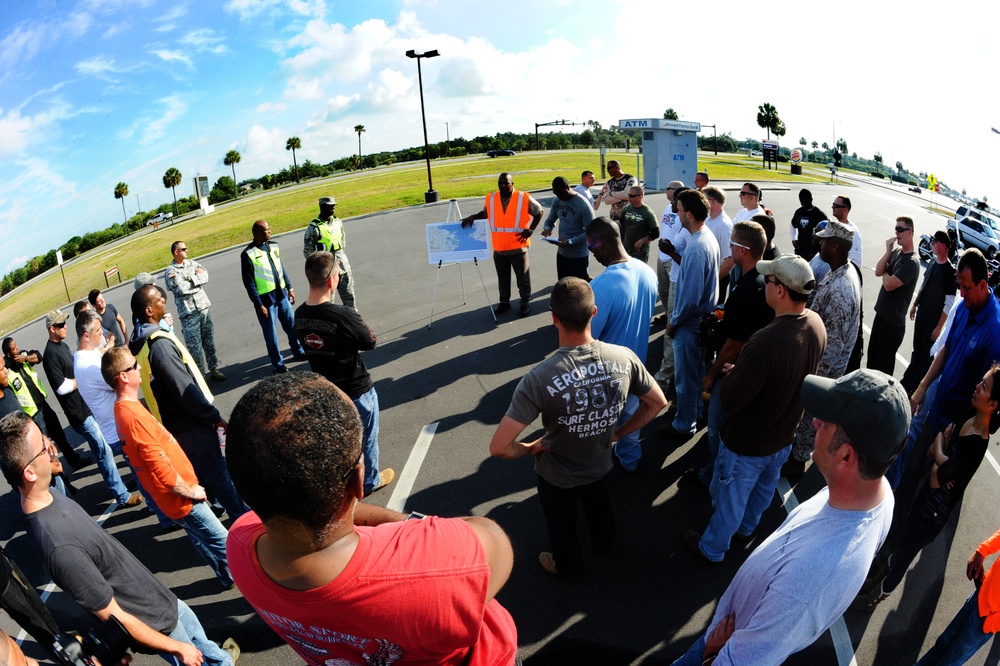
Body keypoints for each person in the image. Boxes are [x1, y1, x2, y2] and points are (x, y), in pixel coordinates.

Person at [226, 372, 519, 665]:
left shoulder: (238, 543)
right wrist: (410, 524)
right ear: (358, 481)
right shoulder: (440, 568)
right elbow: (493, 538)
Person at [671, 369, 906, 665]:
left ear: (846, 456)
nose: (816, 421)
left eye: (827, 421)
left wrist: (710, 653)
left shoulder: (811, 576)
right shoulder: (879, 493)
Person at [0, 411, 240, 666]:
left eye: (46, 437)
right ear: (29, 473)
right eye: (43, 446)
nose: (52, 446)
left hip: (160, 599)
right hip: (159, 625)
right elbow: (115, 616)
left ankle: (221, 658)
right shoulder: (60, 548)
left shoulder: (47, 496)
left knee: (205, 644)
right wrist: (178, 648)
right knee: (195, 653)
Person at [489, 277, 666, 578]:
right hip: (600, 465)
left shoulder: (539, 378)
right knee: (599, 508)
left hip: (557, 475)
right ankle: (605, 545)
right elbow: (657, 402)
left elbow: (499, 447)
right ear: (594, 312)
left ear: (554, 317)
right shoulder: (624, 358)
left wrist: (531, 448)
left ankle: (568, 566)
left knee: (562, 524)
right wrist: (618, 434)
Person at [684, 254, 825, 563]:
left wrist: (736, 373)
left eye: (769, 280)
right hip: (783, 436)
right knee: (762, 493)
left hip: (748, 441)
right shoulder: (815, 324)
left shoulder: (765, 341)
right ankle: (747, 530)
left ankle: (712, 549)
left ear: (781, 291)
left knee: (730, 501)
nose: (765, 284)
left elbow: (732, 400)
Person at [856, 364, 999, 612]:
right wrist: (943, 456)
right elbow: (937, 450)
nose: (977, 387)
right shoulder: (970, 414)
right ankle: (869, 584)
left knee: (899, 561)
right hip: (925, 499)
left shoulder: (977, 445)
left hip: (931, 516)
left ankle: (873, 599)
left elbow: (936, 473)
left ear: (993, 405)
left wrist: (941, 453)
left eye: (984, 387)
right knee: (895, 545)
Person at [103, 347, 234, 589]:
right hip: (181, 498)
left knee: (200, 538)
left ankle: (226, 577)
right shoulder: (134, 417)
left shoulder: (122, 410)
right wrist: (191, 492)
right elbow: (158, 467)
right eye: (134, 366)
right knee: (224, 542)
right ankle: (255, 587)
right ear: (123, 377)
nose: (139, 367)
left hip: (170, 500)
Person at [129, 285, 248, 520]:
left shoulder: (141, 340)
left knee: (201, 477)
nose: (164, 299)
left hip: (173, 424)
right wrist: (213, 417)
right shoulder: (158, 344)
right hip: (190, 424)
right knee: (219, 475)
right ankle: (244, 520)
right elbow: (184, 389)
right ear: (149, 309)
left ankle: (217, 511)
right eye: (158, 298)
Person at [888, 248, 1000, 489]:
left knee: (926, 490)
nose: (962, 294)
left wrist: (953, 438)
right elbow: (946, 350)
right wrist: (922, 387)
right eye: (959, 286)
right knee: (910, 472)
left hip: (951, 433)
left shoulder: (995, 333)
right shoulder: (964, 307)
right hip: (936, 409)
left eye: (967, 288)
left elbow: (985, 397)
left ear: (983, 284)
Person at [294, 251, 395, 496]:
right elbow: (370, 341)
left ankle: (344, 482)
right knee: (367, 438)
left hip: (328, 391)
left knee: (340, 441)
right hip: (357, 389)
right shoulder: (344, 315)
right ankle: (369, 481)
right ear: (331, 280)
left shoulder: (300, 315)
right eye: (338, 273)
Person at [688, 221, 773, 489]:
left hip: (731, 370)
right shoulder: (760, 281)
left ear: (744, 251)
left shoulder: (747, 289)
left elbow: (734, 344)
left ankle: (711, 476)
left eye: (733, 244)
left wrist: (711, 375)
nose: (730, 248)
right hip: (747, 368)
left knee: (717, 430)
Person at [785, 221, 862, 478]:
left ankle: (797, 460)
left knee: (809, 418)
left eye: (825, 240)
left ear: (836, 245)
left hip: (822, 372)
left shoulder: (842, 288)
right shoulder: (836, 272)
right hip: (816, 363)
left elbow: (834, 346)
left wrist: (813, 381)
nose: (820, 242)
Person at [41, 309, 139, 508]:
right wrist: (84, 381)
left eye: (65, 323)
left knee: (107, 452)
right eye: (60, 325)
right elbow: (61, 387)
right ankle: (121, 494)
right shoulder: (51, 355)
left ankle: (122, 485)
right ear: (52, 329)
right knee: (104, 453)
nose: (64, 327)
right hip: (80, 414)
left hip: (88, 408)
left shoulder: (63, 346)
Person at [585, 216, 659, 471]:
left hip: (607, 374)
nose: (591, 254)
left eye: (590, 247)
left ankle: (598, 466)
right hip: (638, 365)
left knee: (599, 426)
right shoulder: (646, 270)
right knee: (631, 418)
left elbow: (586, 338)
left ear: (600, 244)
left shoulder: (601, 286)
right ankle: (630, 459)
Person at [658, 189, 719, 442]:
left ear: (690, 214)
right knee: (694, 376)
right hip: (701, 322)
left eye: (680, 209)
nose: (677, 212)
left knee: (685, 380)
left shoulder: (695, 248)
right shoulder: (706, 237)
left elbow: (690, 298)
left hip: (690, 325)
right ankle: (693, 413)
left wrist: (673, 323)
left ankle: (683, 425)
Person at [460, 173, 544, 317]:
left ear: (513, 183)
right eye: (501, 183)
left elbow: (539, 212)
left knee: (522, 279)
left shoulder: (523, 198)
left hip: (518, 246)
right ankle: (504, 302)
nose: (503, 186)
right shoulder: (492, 198)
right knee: (503, 278)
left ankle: (524, 304)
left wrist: (530, 230)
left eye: (506, 183)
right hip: (499, 248)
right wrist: (473, 217)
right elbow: (486, 213)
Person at [3, 337, 91, 471]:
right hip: (33, 414)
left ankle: (75, 461)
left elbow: (38, 356)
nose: (18, 349)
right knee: (44, 448)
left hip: (44, 406)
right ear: (9, 354)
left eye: (17, 346)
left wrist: (24, 359)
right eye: (14, 349)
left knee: (60, 436)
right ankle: (56, 476)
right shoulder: (7, 371)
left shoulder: (24, 357)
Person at [916, 525, 1000, 664]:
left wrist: (992, 623)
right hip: (979, 596)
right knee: (942, 644)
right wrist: (982, 551)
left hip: (986, 620)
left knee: (950, 662)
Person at [240, 219, 306, 373]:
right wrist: (258, 304)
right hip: (266, 301)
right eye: (266, 230)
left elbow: (280, 268)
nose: (270, 231)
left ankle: (297, 351)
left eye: (269, 229)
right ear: (257, 233)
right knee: (271, 334)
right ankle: (278, 363)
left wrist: (290, 287)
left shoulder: (274, 246)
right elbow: (249, 283)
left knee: (291, 325)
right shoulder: (248, 254)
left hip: (281, 295)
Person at [901, 230, 957, 394]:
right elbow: (924, 285)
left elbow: (949, 302)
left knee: (925, 356)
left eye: (935, 241)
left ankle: (916, 389)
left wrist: (939, 327)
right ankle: (907, 382)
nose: (932, 243)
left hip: (933, 322)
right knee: (916, 350)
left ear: (943, 246)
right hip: (922, 316)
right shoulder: (932, 263)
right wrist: (915, 304)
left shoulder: (950, 272)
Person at [164, 241, 226, 381]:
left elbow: (205, 276)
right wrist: (196, 279)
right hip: (189, 314)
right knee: (194, 348)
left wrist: (190, 279)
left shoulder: (192, 263)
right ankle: (200, 377)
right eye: (183, 249)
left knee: (209, 341)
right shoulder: (171, 271)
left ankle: (214, 368)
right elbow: (181, 288)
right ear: (176, 252)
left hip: (203, 308)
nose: (187, 251)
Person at [868, 216, 920, 375]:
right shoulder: (896, 251)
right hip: (881, 317)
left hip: (892, 325)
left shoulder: (911, 262)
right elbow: (878, 270)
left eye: (900, 229)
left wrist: (886, 271)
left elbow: (889, 285)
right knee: (871, 363)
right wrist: (888, 251)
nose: (896, 233)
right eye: (895, 229)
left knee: (881, 372)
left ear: (910, 232)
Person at [302, 196, 356, 309]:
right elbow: (308, 251)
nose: (333, 209)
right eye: (329, 207)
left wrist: (339, 259)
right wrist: (320, 264)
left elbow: (343, 242)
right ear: (322, 207)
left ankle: (353, 318)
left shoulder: (338, 222)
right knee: (328, 301)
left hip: (342, 263)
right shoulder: (314, 228)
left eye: (333, 207)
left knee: (349, 295)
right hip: (325, 268)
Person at [541, 176, 595, 280]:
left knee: (579, 288)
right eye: (556, 194)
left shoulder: (582, 204)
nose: (560, 196)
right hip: (562, 253)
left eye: (561, 193)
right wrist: (547, 228)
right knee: (564, 284)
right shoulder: (557, 200)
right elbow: (550, 220)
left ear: (568, 187)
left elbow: (591, 231)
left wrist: (570, 241)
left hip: (578, 255)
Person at [653, 180, 685, 332]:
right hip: (662, 257)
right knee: (663, 291)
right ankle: (667, 316)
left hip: (673, 258)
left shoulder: (683, 211)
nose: (666, 190)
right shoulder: (668, 207)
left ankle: (673, 323)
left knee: (674, 294)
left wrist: (671, 251)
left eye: (668, 188)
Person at [703, 186, 734, 301]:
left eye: (703, 199)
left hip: (717, 279)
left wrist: (713, 280)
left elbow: (730, 259)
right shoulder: (708, 219)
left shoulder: (723, 225)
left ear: (711, 202)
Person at [617, 186, 659, 262]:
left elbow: (655, 233)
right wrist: (617, 221)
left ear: (640, 197)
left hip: (640, 252)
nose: (629, 198)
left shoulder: (648, 213)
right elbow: (618, 219)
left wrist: (641, 241)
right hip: (626, 249)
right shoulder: (627, 209)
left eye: (632, 196)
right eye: (628, 195)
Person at [789, 188, 828, 262]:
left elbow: (828, 233)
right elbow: (793, 225)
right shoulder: (798, 212)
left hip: (813, 253)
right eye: (802, 202)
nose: (804, 205)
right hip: (800, 250)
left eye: (806, 202)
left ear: (811, 199)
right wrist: (793, 239)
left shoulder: (819, 215)